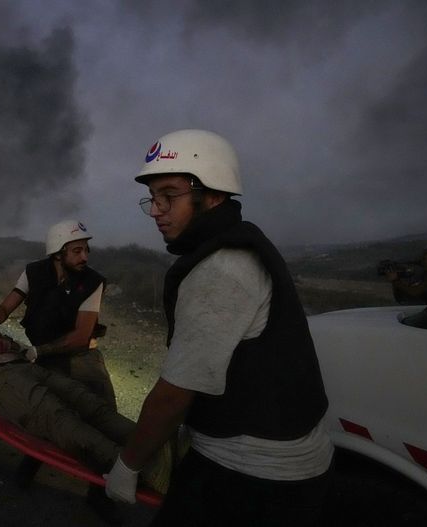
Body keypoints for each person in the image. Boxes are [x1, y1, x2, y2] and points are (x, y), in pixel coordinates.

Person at [104, 129, 333, 526]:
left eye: (169, 196)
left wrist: (128, 463)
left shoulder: (221, 269)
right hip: (275, 462)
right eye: (153, 199)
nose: (156, 210)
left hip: (253, 474)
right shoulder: (238, 244)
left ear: (213, 195)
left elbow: (173, 396)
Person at [0, 219, 118, 520]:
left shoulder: (92, 282)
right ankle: (31, 463)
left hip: (81, 358)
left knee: (103, 418)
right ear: (57, 253)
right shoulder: (34, 272)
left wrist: (39, 351)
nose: (85, 257)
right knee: (46, 412)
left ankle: (102, 491)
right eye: (77, 251)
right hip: (44, 355)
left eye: (86, 250)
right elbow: (5, 308)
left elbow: (80, 335)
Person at [0, 332, 171, 496]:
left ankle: (157, 450)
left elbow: (11, 344)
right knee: (58, 418)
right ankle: (139, 470)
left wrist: (6, 343)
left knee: (91, 405)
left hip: (25, 367)